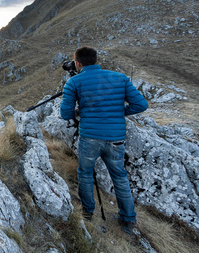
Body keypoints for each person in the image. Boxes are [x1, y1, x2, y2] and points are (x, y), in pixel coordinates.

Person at [60, 46, 148, 235]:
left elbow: (65, 113)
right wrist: (119, 111)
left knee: (85, 174)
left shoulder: (74, 82)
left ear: (77, 63)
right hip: (116, 138)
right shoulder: (121, 78)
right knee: (120, 177)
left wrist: (79, 111)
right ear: (95, 59)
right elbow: (141, 104)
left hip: (90, 138)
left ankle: (88, 212)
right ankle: (128, 220)